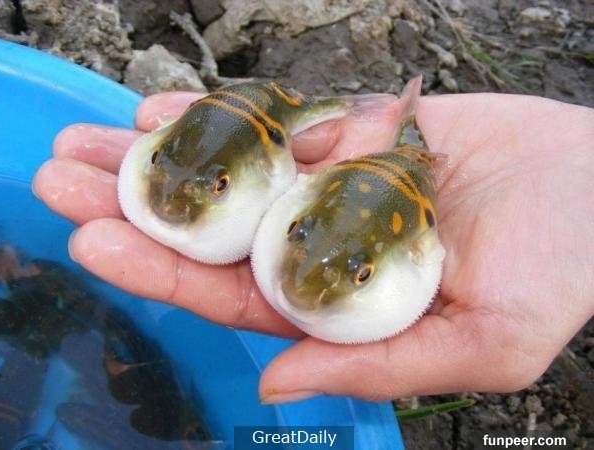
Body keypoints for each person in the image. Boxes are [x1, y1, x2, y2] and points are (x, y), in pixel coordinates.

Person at [32, 88, 594, 404]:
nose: (295, 281)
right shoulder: (285, 189)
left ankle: (408, 115)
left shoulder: (412, 238)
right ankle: (403, 113)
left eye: (361, 274)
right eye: (295, 234)